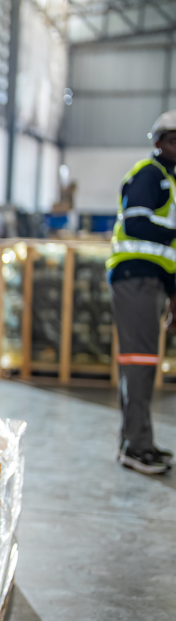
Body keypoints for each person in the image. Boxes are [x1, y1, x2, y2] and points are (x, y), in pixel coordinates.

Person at [108, 111, 176, 475]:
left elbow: (169, 255)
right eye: (173, 140)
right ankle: (136, 445)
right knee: (139, 362)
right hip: (135, 278)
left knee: (144, 363)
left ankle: (138, 441)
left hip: (150, 282)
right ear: (158, 143)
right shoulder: (150, 176)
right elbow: (136, 223)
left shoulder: (169, 180)